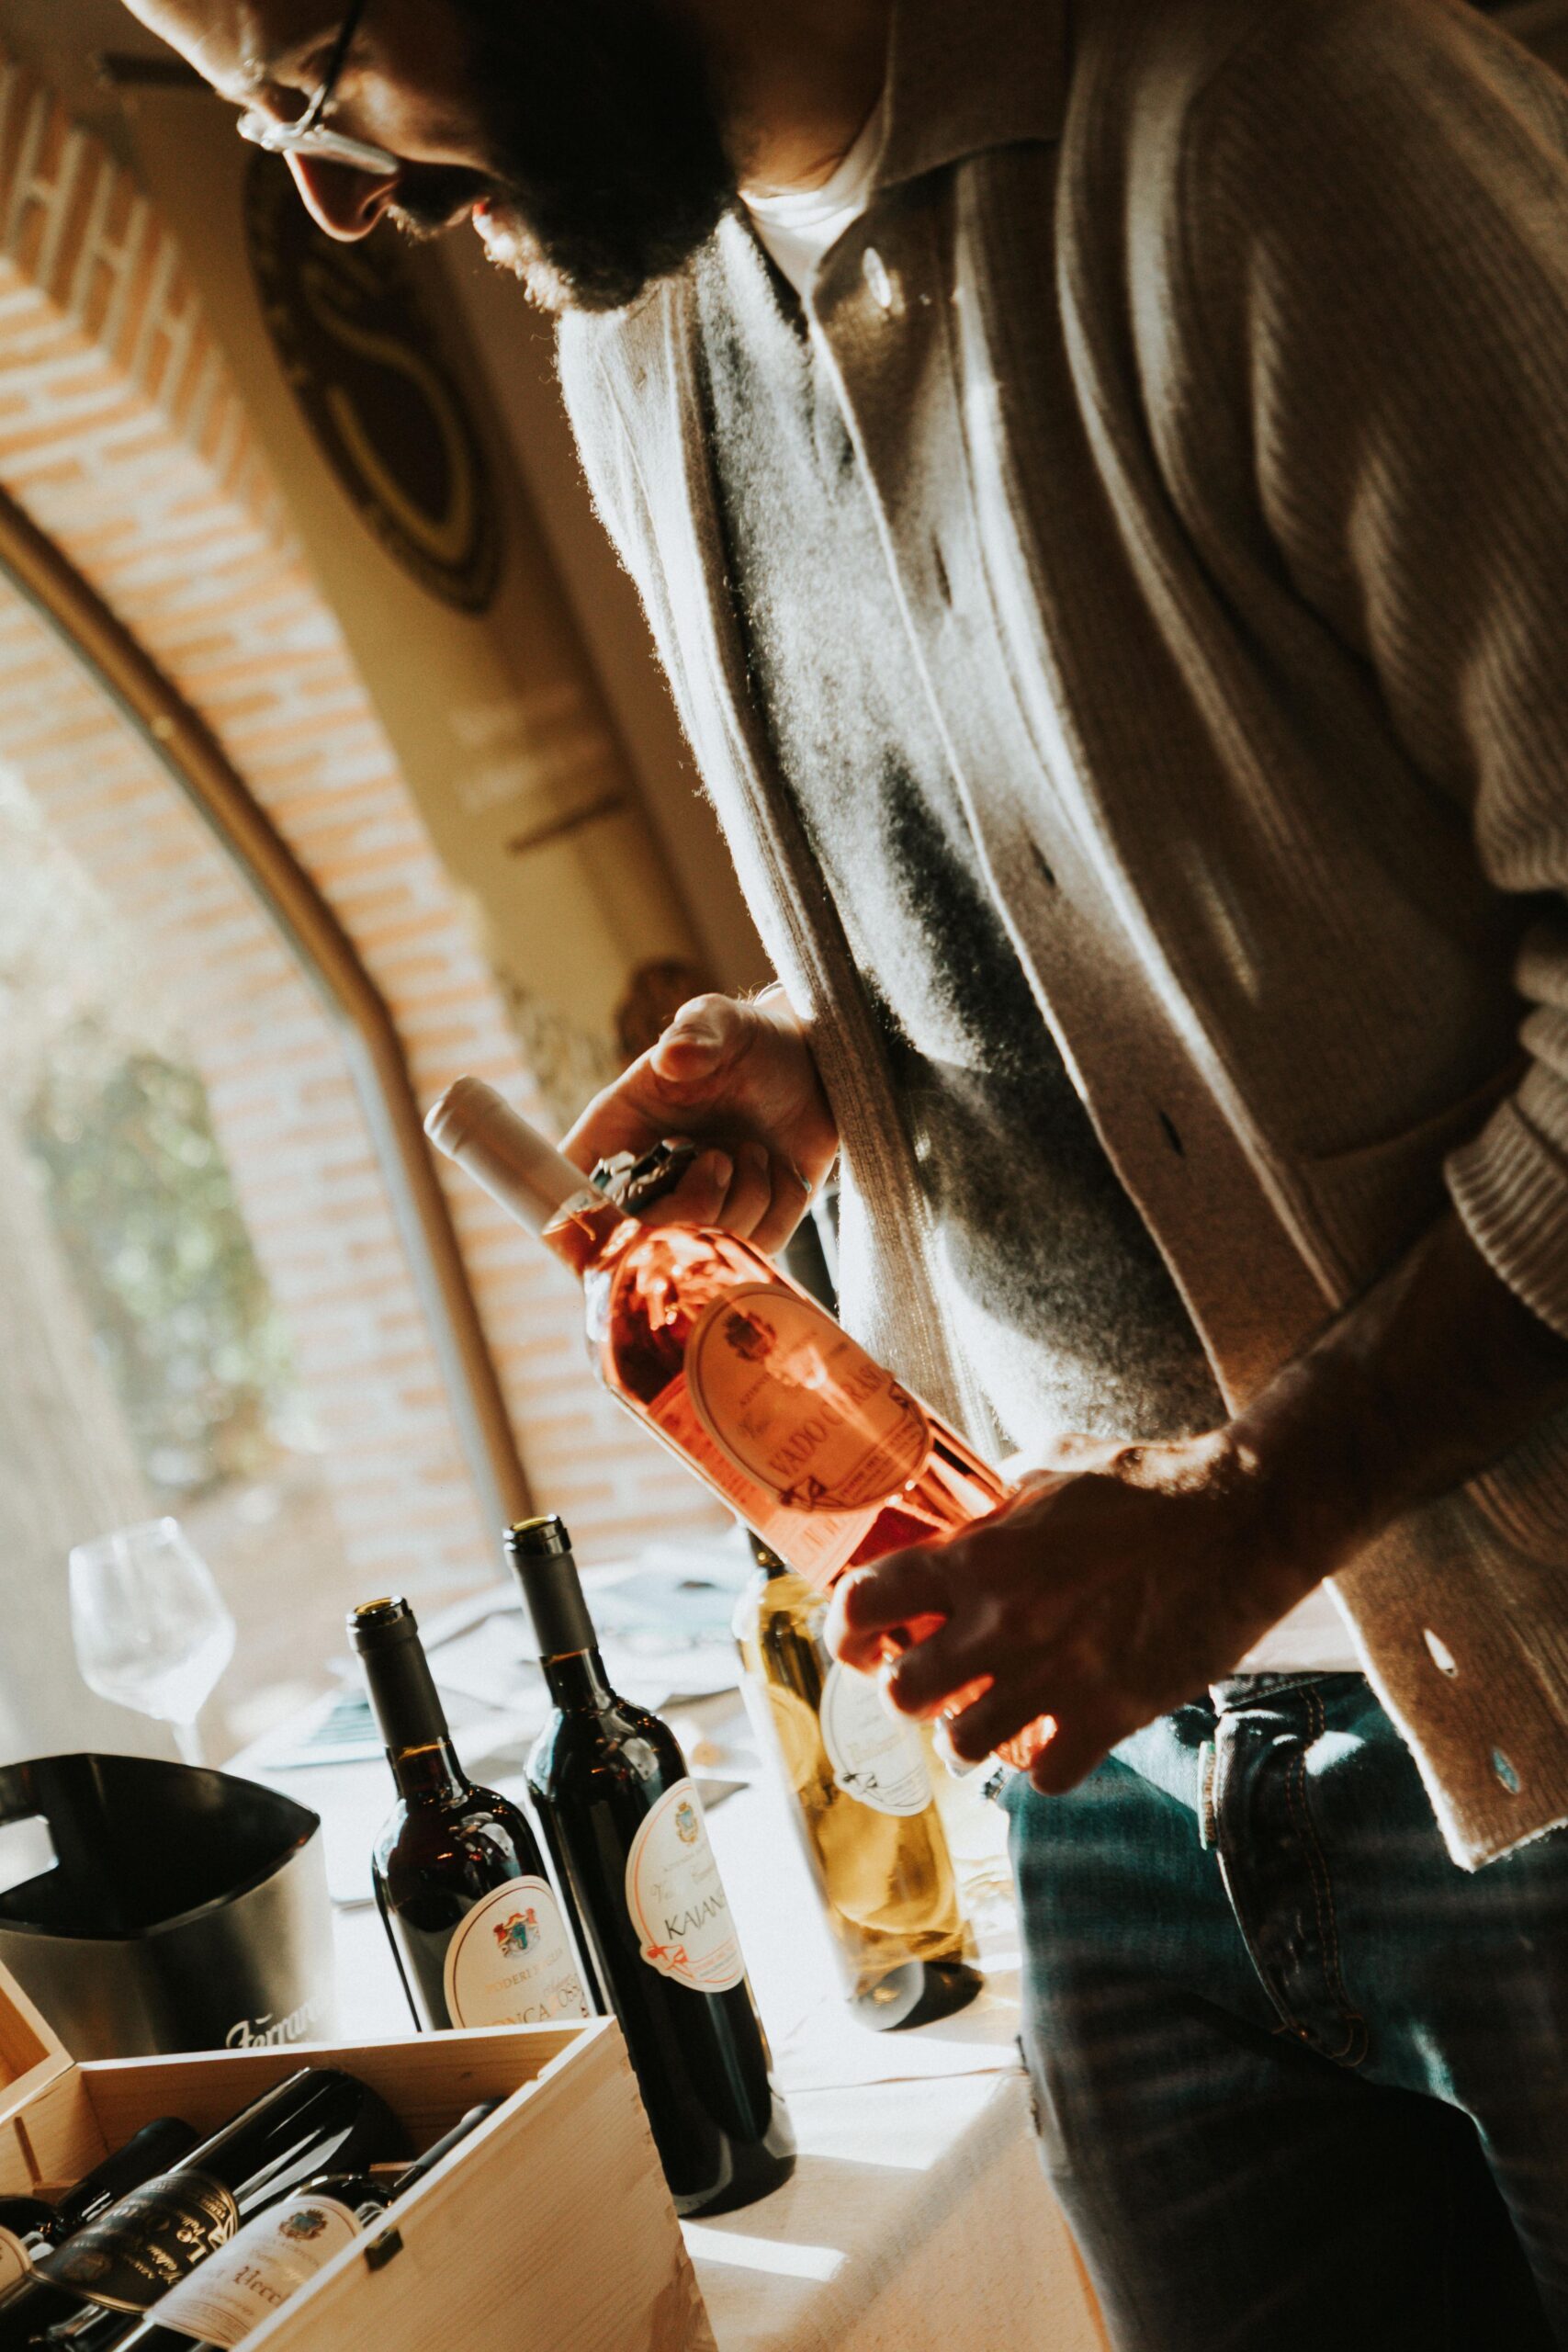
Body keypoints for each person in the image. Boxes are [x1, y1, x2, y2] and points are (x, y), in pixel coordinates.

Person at [117, 0, 1568, 2340]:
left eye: (306, 72)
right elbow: (1133, 869)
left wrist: (1242, 1514)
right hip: (1116, 1796)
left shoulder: (1279, 120)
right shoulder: (648, 328)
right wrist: (836, 1055)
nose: (327, 190)